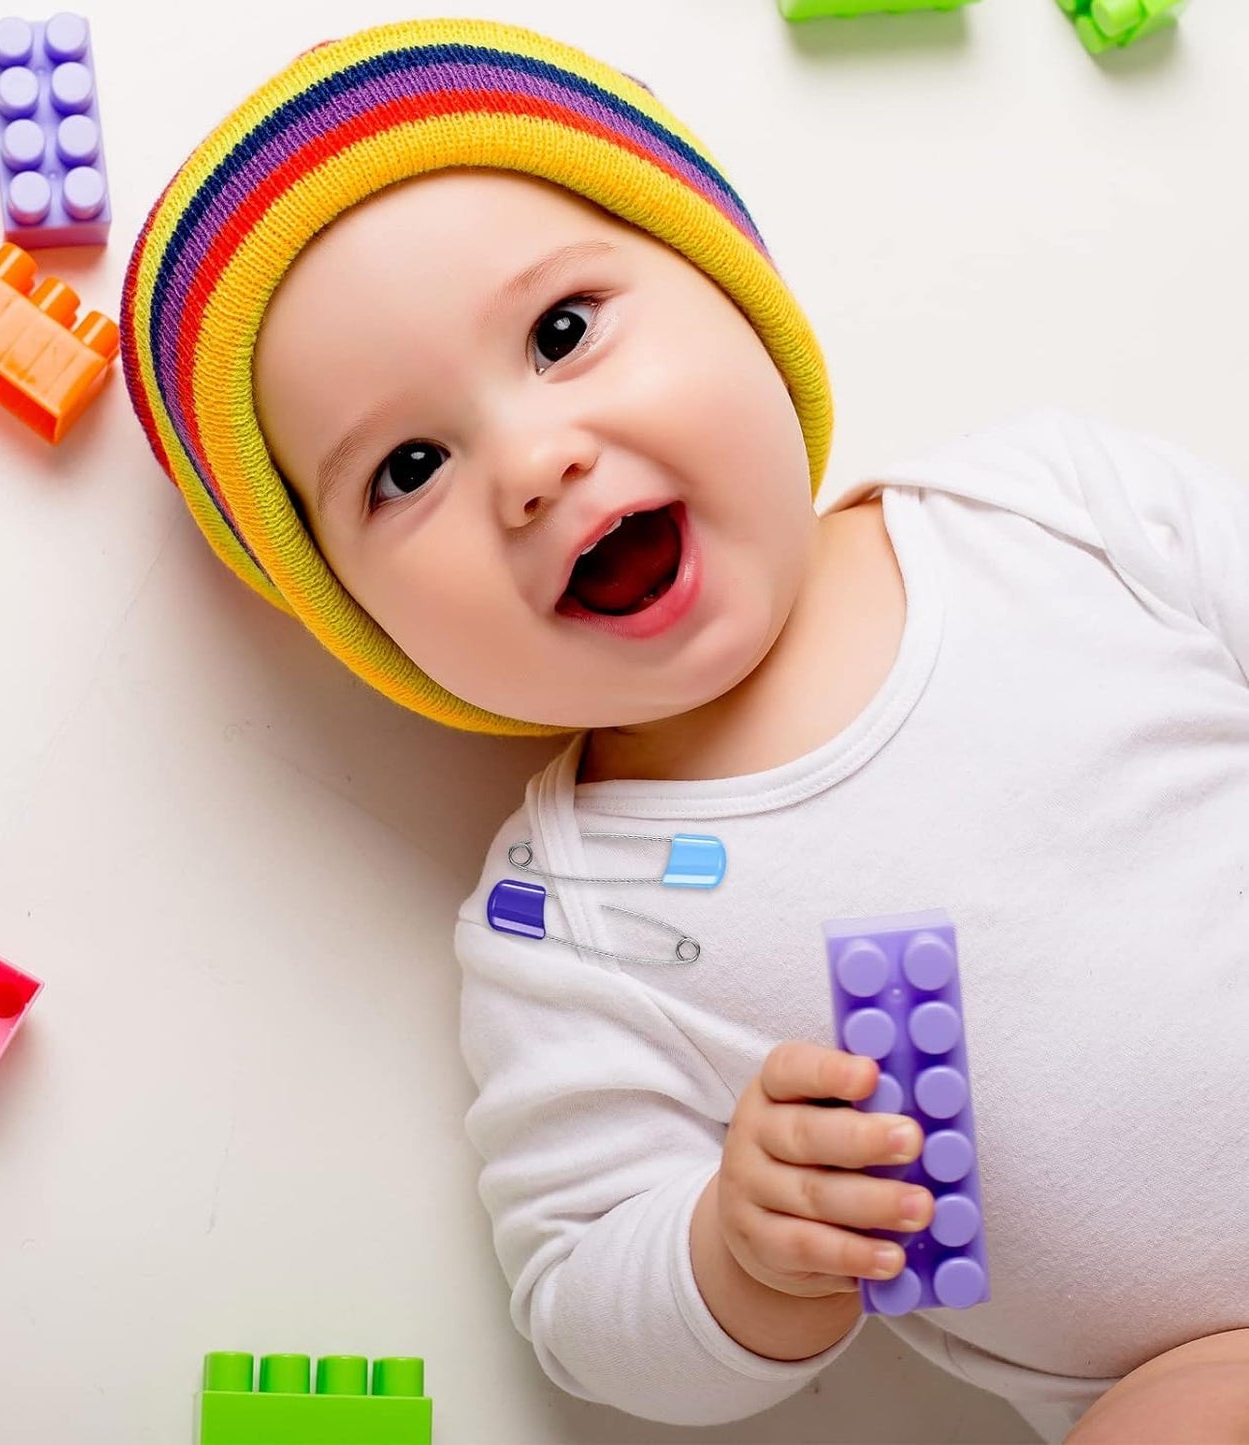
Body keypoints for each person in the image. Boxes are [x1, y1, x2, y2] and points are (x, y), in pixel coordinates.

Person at [119, 18, 1249, 1442]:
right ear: (361, 626)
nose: (534, 465)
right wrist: (735, 1251)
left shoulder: (1051, 509)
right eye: (406, 469)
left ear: (734, 291)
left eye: (561, 332)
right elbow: (584, 1302)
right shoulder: (561, 917)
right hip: (1201, 1357)